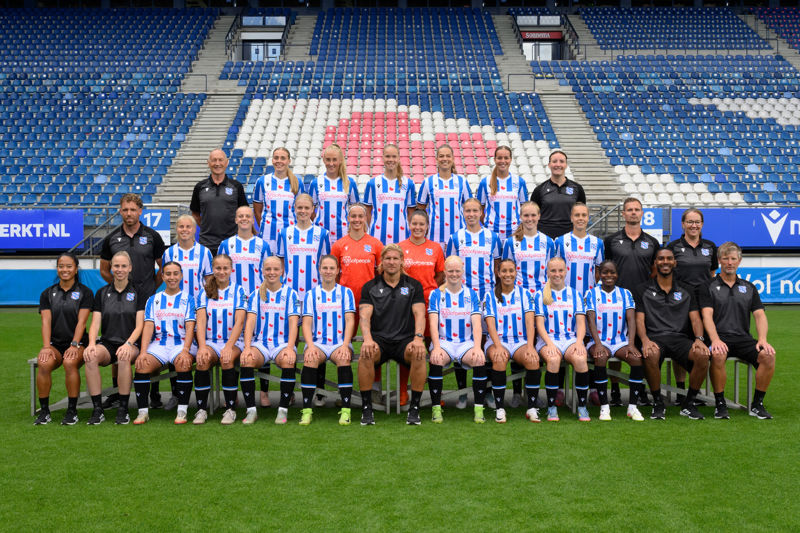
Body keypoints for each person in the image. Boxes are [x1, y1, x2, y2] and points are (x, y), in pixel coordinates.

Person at [99, 193, 166, 409]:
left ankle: (154, 392)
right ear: (120, 211)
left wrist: (151, 287)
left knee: (149, 343)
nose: (129, 213)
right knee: (117, 340)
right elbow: (104, 269)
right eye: (125, 209)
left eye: (133, 210)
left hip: (147, 301)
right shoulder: (111, 238)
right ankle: (117, 392)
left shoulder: (153, 236)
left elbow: (163, 267)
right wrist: (119, 288)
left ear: (140, 211)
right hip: (120, 303)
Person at [701, 241, 776, 420]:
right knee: (718, 354)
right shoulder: (708, 286)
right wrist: (715, 340)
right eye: (726, 258)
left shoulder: (749, 287)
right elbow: (707, 316)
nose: (729, 262)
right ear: (719, 260)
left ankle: (757, 404)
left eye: (733, 259)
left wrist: (762, 339)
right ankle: (720, 404)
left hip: (743, 339)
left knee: (768, 356)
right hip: (719, 338)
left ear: (739, 261)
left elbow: (759, 315)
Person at [634, 247, 711, 420]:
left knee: (702, 355)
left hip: (680, 339)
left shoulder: (686, 289)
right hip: (655, 338)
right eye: (661, 259)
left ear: (675, 263)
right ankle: (658, 403)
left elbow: (696, 320)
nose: (665, 262)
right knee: (650, 353)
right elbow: (639, 320)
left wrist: (699, 339)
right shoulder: (642, 289)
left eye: (669, 258)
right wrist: (644, 340)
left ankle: (689, 403)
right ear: (655, 263)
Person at [358, 244, 428, 425]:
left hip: (404, 342)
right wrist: (367, 339)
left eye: (395, 258)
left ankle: (414, 408)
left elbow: (420, 313)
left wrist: (418, 338)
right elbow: (364, 317)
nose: (391, 262)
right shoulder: (370, 286)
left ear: (402, 261)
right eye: (387, 258)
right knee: (365, 354)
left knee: (419, 353)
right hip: (379, 341)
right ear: (381, 261)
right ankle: (367, 409)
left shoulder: (413, 285)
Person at [277, 193, 332, 408]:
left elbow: (325, 264)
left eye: (306, 208)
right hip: (290, 295)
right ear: (294, 209)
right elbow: (281, 264)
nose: (302, 211)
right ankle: (289, 392)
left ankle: (319, 391)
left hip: (315, 295)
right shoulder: (285, 233)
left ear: (313, 210)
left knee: (317, 340)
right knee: (291, 342)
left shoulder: (322, 233)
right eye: (299, 207)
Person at [603, 197, 659, 406]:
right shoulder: (611, 240)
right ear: (623, 214)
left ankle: (640, 389)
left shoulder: (652, 242)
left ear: (642, 213)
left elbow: (654, 271)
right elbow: (606, 269)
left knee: (641, 346)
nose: (633, 212)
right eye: (629, 210)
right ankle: (615, 390)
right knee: (616, 342)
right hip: (616, 302)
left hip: (643, 303)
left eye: (636, 209)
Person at [84, 251, 145, 425]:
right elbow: (95, 323)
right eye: (116, 266)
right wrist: (91, 344)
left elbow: (140, 325)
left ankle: (123, 408)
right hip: (108, 343)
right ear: (111, 268)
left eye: (123, 266)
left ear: (130, 268)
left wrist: (128, 344)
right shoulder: (102, 293)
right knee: (90, 356)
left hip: (131, 343)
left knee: (123, 357)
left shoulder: (138, 292)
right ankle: (97, 409)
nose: (120, 269)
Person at [132, 262, 197, 425]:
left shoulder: (188, 299)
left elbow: (190, 327)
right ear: (162, 276)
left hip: (181, 343)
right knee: (142, 365)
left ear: (181, 276)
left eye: (175, 273)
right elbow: (148, 326)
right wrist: (143, 352)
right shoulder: (153, 299)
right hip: (159, 344)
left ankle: (182, 411)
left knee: (183, 362)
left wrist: (186, 350)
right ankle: (143, 412)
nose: (172, 277)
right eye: (168, 274)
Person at [34, 252, 93, 425]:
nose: (64, 270)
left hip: (78, 343)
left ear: (76, 269)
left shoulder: (85, 292)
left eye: (69, 266)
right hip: (55, 344)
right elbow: (46, 322)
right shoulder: (47, 293)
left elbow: (82, 323)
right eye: (61, 266)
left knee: (70, 362)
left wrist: (74, 345)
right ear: (57, 268)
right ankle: (44, 411)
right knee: (43, 363)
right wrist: (46, 347)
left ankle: (72, 411)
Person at [666, 208, 718, 403]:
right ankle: (680, 391)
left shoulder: (710, 247)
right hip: (681, 302)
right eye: (690, 222)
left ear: (702, 224)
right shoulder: (673, 247)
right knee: (682, 345)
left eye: (697, 222)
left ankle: (694, 392)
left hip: (704, 304)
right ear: (683, 224)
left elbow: (712, 273)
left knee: (703, 345)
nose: (693, 225)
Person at [427, 256, 487, 424]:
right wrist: (436, 347)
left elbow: (476, 324)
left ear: (462, 272)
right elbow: (433, 323)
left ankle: (479, 409)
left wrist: (477, 347)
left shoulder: (471, 294)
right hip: (444, 342)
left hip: (465, 343)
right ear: (445, 272)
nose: (454, 274)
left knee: (479, 359)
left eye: (457, 271)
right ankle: (436, 408)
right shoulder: (436, 294)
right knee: (436, 359)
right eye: (450, 271)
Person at [241, 256, 301, 425]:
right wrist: (247, 347)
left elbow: (294, 323)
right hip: (261, 343)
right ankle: (251, 411)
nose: (272, 272)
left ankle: (282, 410)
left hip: (282, 343)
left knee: (288, 360)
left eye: (275, 269)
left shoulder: (291, 294)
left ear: (282, 271)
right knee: (247, 360)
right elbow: (250, 322)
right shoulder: (255, 294)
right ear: (262, 271)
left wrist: (290, 347)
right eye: (268, 269)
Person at [584, 260, 645, 421]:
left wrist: (631, 344)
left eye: (612, 272)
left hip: (620, 341)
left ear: (617, 275)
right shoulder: (591, 293)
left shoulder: (625, 293)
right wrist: (598, 344)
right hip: (598, 341)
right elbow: (591, 320)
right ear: (599, 274)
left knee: (636, 359)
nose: (609, 275)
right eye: (605, 272)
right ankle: (604, 407)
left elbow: (631, 320)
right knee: (601, 357)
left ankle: (632, 407)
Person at [298, 255, 356, 426]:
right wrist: (310, 346)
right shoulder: (311, 294)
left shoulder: (346, 292)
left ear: (337, 271)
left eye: (332, 268)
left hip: (339, 342)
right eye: (325, 268)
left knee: (344, 358)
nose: (328, 271)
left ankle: (346, 411)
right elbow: (306, 323)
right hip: (318, 343)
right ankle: (306, 411)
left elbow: (350, 320)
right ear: (319, 270)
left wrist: (345, 345)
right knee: (310, 358)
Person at [533, 257, 591, 422]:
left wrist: (579, 342)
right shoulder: (540, 295)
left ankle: (582, 406)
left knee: (580, 359)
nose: (557, 274)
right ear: (547, 272)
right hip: (548, 339)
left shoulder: (575, 294)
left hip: (570, 339)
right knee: (553, 359)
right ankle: (551, 407)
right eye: (553, 270)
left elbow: (581, 323)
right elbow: (540, 325)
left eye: (560, 270)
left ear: (566, 272)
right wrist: (550, 344)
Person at [484, 259, 541, 423]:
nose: (507, 274)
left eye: (511, 271)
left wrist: (530, 346)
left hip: (519, 341)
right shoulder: (490, 295)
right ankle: (500, 408)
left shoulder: (525, 294)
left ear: (516, 273)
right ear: (498, 273)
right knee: (499, 358)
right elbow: (490, 324)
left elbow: (530, 322)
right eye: (504, 271)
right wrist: (498, 346)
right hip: (497, 340)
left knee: (532, 359)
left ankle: (531, 408)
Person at [193, 254, 247, 425]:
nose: (222, 272)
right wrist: (202, 347)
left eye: (225, 268)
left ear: (231, 270)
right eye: (218, 268)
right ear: (213, 269)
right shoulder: (204, 292)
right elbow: (201, 321)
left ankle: (230, 409)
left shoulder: (239, 291)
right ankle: (201, 409)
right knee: (202, 360)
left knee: (227, 359)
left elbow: (240, 322)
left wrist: (229, 346)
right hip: (211, 341)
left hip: (234, 341)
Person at [397, 209, 445, 404]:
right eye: (414, 223)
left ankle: (435, 393)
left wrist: (428, 290)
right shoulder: (400, 247)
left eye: (421, 224)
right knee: (407, 347)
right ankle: (403, 391)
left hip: (429, 304)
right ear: (409, 225)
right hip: (406, 305)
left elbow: (440, 274)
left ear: (427, 226)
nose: (417, 227)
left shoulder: (435, 248)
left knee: (432, 347)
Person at [189, 148, 249, 253]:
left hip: (232, 242)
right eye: (214, 160)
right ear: (208, 163)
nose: (217, 163)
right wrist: (207, 227)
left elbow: (244, 213)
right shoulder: (199, 187)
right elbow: (195, 214)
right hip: (207, 243)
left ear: (227, 163)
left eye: (220, 160)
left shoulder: (236, 186)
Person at [445, 197, 502, 303]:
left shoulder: (493, 237)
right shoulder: (455, 238)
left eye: (475, 210)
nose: (471, 214)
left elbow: (497, 266)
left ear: (481, 212)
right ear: (463, 213)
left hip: (487, 293)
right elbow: (449, 267)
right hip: (461, 293)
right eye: (468, 211)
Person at [416, 144, 472, 250]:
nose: (445, 159)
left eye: (448, 156)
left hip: (459, 235)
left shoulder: (462, 181)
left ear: (453, 158)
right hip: (434, 236)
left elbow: (470, 207)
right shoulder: (428, 182)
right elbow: (420, 209)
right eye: (441, 156)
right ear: (437, 159)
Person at [363, 143, 416, 244]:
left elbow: (411, 212)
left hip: (402, 237)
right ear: (383, 158)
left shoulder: (409, 183)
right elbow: (367, 211)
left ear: (399, 158)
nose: (391, 159)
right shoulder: (372, 183)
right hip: (377, 237)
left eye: (394, 156)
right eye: (387, 156)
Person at [253, 147, 303, 252]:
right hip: (267, 234)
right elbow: (257, 211)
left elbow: (302, 210)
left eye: (283, 158)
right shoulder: (262, 181)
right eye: (276, 158)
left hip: (291, 233)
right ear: (272, 160)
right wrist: (264, 226)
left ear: (289, 161)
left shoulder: (297, 182)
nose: (279, 161)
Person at [308, 143, 359, 242]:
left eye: (334, 159)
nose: (331, 163)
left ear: (340, 160)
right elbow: (310, 210)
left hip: (344, 234)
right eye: (328, 159)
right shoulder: (316, 182)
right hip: (320, 234)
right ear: (324, 160)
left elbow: (356, 209)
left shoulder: (349, 182)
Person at [530, 150, 586, 239]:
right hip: (545, 238)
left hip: (570, 237)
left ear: (566, 165)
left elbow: (582, 213)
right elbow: (532, 215)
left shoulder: (577, 188)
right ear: (549, 165)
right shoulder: (539, 189)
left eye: (562, 161)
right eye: (554, 161)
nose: (558, 164)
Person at [476, 145, 528, 240]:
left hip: (514, 231)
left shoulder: (519, 181)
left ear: (510, 159)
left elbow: (524, 207)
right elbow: (480, 208)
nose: (503, 161)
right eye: (499, 158)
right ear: (494, 160)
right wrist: (488, 223)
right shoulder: (485, 182)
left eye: (506, 158)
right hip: (491, 232)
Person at [502, 201, 556, 293]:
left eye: (533, 215)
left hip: (543, 293)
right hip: (518, 293)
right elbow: (506, 271)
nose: (530, 219)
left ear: (539, 216)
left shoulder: (549, 242)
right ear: (520, 217)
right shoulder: (510, 242)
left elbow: (551, 271)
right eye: (526, 215)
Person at [217, 206, 271, 298]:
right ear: (236, 220)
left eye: (248, 216)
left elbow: (268, 273)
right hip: (232, 297)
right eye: (241, 216)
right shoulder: (225, 245)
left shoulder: (263, 245)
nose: (244, 218)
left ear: (253, 220)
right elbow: (218, 273)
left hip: (256, 297)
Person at [555, 202, 604, 298]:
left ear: (588, 218)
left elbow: (598, 271)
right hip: (566, 296)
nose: (580, 218)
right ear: (571, 218)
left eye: (584, 215)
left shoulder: (598, 243)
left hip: (588, 297)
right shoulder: (560, 241)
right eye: (577, 215)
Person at [162, 214, 213, 303]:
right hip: (175, 303)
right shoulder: (169, 253)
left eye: (188, 227)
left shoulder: (204, 252)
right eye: (181, 226)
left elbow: (210, 279)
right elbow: (166, 277)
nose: (184, 229)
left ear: (194, 229)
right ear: (176, 229)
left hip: (199, 303)